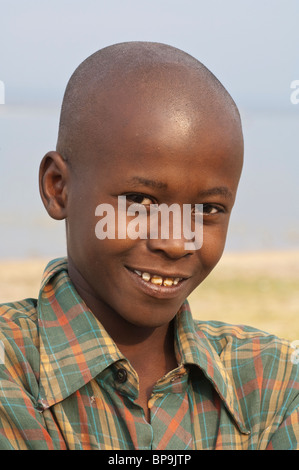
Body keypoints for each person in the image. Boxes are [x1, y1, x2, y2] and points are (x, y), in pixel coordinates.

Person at [0, 42, 298, 450]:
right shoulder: (11, 374)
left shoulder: (272, 384)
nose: (177, 241)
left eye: (208, 208)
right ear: (58, 188)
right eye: (140, 202)